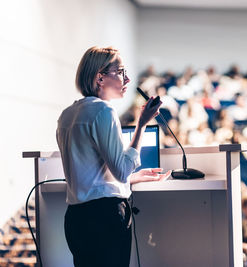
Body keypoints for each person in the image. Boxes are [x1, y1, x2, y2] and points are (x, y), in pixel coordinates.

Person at [56, 46, 171, 267]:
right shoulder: (103, 111)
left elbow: (90, 172)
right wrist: (142, 124)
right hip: (104, 219)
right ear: (100, 77)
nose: (127, 78)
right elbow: (121, 170)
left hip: (76, 219)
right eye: (120, 72)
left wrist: (132, 178)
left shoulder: (67, 114)